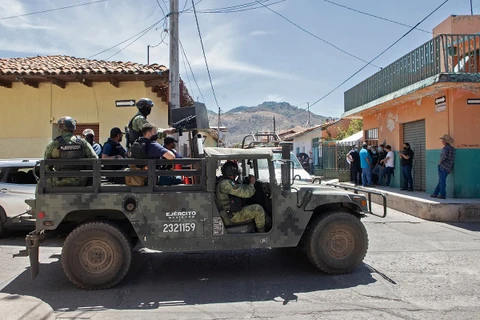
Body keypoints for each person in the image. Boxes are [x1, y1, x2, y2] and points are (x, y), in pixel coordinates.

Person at [45, 116, 97, 187]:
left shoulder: (53, 144)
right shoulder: (82, 143)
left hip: (59, 181)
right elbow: (94, 159)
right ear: (73, 127)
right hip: (80, 181)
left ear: (60, 128)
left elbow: (46, 166)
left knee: (40, 183)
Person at [216, 161, 267, 233]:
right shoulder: (226, 184)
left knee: (264, 215)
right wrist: (252, 184)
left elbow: (238, 188)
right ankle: (263, 234)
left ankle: (268, 225)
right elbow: (247, 193)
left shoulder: (225, 181)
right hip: (232, 216)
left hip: (232, 212)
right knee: (258, 209)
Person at [431, 134, 455, 199]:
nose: (442, 142)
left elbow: (444, 157)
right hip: (448, 167)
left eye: (442, 140)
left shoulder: (445, 149)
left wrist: (439, 162)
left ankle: (443, 194)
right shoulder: (452, 149)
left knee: (442, 181)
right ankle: (435, 193)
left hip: (443, 166)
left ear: (445, 142)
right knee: (441, 181)